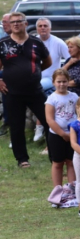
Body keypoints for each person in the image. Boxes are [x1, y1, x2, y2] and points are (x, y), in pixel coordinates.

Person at [0, 12, 52, 168]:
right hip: (12, 92)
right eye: (12, 22)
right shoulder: (3, 43)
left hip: (35, 90)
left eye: (19, 21)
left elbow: (47, 62)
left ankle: (55, 154)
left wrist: (34, 72)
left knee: (49, 120)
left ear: (25, 23)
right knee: (16, 126)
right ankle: (22, 159)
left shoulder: (36, 42)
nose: (15, 24)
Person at [34, 18, 71, 142]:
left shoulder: (58, 42)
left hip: (50, 78)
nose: (43, 28)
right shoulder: (33, 41)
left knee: (37, 90)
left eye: (45, 26)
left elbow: (69, 58)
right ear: (37, 28)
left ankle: (39, 126)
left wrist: (63, 71)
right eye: (40, 26)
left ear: (50, 28)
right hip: (33, 76)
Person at [45, 69, 78, 187]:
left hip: (73, 134)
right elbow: (50, 119)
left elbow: (78, 114)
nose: (62, 84)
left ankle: (73, 188)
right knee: (58, 163)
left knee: (71, 162)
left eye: (64, 81)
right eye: (59, 82)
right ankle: (57, 189)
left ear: (68, 82)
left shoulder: (74, 96)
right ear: (53, 82)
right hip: (56, 135)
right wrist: (62, 134)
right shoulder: (51, 98)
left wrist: (74, 132)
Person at [0, 13, 11, 137]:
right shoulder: (3, 39)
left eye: (5, 22)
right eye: (3, 22)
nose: (3, 24)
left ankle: (7, 121)